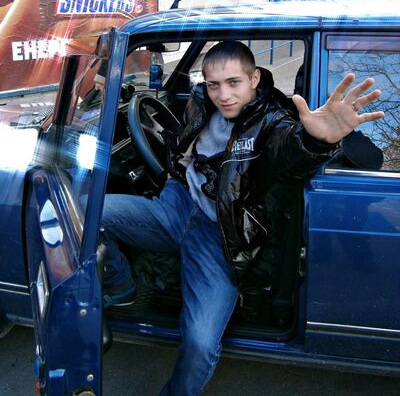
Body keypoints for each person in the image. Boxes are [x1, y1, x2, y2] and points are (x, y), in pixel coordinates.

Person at [100, 41, 384, 395]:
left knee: (200, 344)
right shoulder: (200, 102)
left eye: (234, 83)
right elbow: (182, 145)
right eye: (214, 84)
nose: (224, 95)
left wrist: (316, 143)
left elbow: (288, 152)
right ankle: (121, 287)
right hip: (176, 205)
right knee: (83, 213)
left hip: (221, 233)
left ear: (255, 78)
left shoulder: (272, 120)